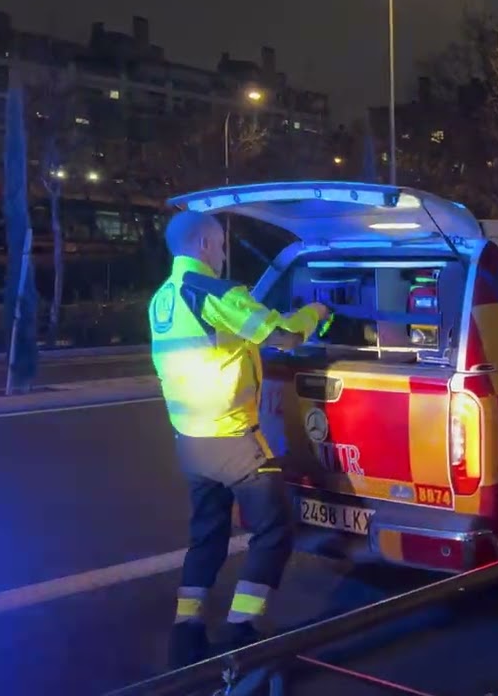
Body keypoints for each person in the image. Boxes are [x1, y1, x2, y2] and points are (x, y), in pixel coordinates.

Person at [151, 211, 329, 668]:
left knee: (207, 534)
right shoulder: (213, 292)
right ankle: (242, 631)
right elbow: (285, 337)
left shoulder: (163, 297)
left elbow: (237, 334)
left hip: (190, 439)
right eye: (220, 245)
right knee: (274, 528)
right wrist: (318, 312)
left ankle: (186, 633)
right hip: (231, 439)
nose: (223, 254)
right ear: (205, 244)